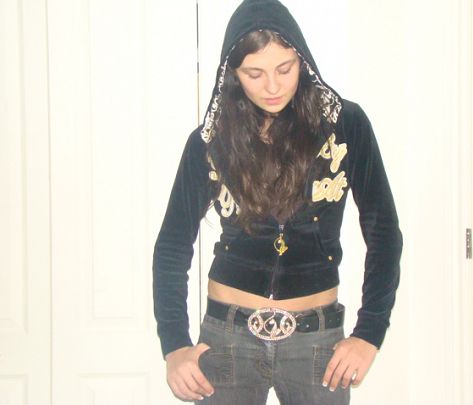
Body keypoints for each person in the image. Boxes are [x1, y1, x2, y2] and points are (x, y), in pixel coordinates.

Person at [152, 0, 403, 403]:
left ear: (302, 59)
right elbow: (172, 245)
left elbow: (384, 233)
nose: (272, 86)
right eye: (254, 73)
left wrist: (369, 334)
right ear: (233, 74)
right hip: (227, 338)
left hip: (317, 342)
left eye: (284, 69)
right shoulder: (210, 140)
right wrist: (174, 345)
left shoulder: (346, 126)